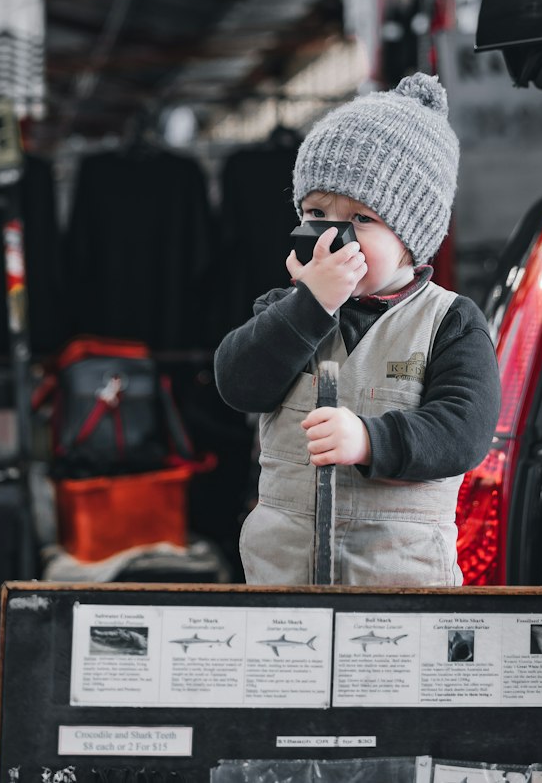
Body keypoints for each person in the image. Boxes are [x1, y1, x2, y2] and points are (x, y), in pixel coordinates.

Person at [214, 71, 501, 586]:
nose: (333, 233)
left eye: (361, 218)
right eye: (316, 212)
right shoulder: (286, 310)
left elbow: (465, 430)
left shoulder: (450, 322)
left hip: (401, 591)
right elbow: (238, 382)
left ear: (412, 237)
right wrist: (308, 305)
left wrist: (370, 439)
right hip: (285, 587)